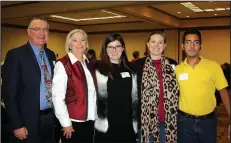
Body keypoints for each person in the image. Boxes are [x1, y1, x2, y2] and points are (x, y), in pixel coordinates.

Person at [2, 17, 57, 143]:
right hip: (26, 122)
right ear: (28, 32)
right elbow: (9, 94)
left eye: (45, 29)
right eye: (37, 29)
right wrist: (17, 124)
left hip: (50, 118)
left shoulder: (51, 55)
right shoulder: (15, 55)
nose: (41, 33)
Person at [175, 28, 230, 143]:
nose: (192, 46)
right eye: (188, 42)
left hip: (208, 122)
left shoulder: (213, 66)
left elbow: (224, 93)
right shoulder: (177, 70)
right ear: (182, 46)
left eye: (196, 42)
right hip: (184, 122)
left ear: (201, 46)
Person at [132, 31, 179, 143]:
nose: (156, 45)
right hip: (145, 121)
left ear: (165, 45)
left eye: (160, 42)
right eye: (153, 42)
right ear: (148, 44)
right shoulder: (137, 65)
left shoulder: (173, 64)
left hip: (168, 120)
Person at [52, 29, 97, 143]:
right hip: (73, 122)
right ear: (69, 44)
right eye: (75, 40)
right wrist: (66, 123)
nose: (79, 43)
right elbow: (58, 97)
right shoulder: (63, 64)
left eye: (82, 40)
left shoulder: (89, 64)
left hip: (91, 120)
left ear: (86, 44)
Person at [94, 33, 138, 143]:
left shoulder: (131, 69)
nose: (114, 50)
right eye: (110, 47)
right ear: (105, 49)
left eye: (117, 46)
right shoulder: (97, 68)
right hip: (106, 125)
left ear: (123, 48)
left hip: (127, 124)